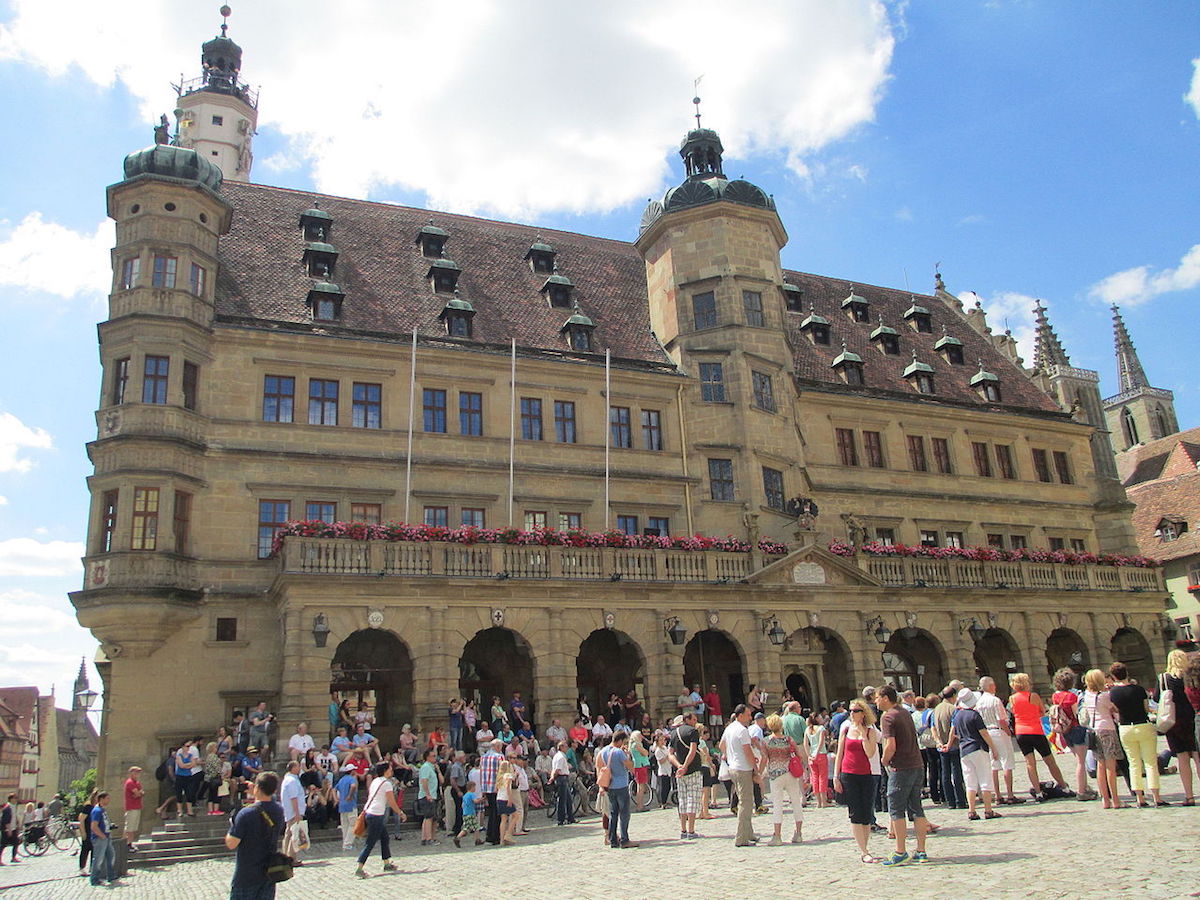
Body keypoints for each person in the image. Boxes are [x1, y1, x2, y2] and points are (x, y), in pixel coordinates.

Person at [877, 685, 931, 866]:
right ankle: (921, 850)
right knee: (917, 808)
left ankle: (900, 851)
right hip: (916, 764)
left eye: (878, 697)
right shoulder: (904, 712)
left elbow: (890, 745)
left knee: (896, 809)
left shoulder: (888, 717)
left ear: (885, 698)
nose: (876, 701)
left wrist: (884, 760)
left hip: (900, 767)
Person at [1109, 662, 1167, 807]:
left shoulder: (1113, 693)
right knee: (1150, 763)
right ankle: (1156, 796)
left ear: (1113, 676)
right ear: (1126, 673)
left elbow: (1114, 710)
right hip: (1143, 725)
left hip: (1125, 728)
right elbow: (1146, 708)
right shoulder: (1139, 689)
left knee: (1133, 763)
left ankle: (1140, 798)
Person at [833, 699, 881, 863]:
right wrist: (836, 776)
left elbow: (870, 753)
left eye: (856, 711)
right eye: (851, 711)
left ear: (863, 713)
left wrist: (862, 735)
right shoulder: (845, 729)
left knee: (866, 812)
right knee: (855, 812)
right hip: (848, 774)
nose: (852, 713)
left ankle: (865, 846)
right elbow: (840, 753)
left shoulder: (870, 731)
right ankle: (864, 850)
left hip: (866, 774)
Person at [947, 688, 1000, 821]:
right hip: (978, 748)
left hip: (964, 750)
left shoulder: (957, 715)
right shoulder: (974, 715)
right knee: (984, 779)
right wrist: (993, 748)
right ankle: (988, 810)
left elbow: (954, 733)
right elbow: (984, 733)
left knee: (970, 781)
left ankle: (971, 811)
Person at [1080, 668, 1125, 809]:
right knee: (1111, 767)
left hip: (1094, 731)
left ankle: (1105, 800)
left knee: (1100, 766)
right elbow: (1115, 709)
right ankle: (1116, 800)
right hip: (1107, 730)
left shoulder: (1086, 695)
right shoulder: (1105, 696)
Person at [1050, 668, 1097, 800]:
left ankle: (1086, 787)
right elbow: (1077, 715)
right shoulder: (1072, 696)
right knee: (1081, 762)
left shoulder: (1055, 696)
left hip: (1065, 731)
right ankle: (1082, 791)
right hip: (1076, 729)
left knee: (1078, 759)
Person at [355, 761, 407, 878]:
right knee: (370, 843)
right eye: (390, 768)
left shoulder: (375, 781)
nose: (391, 770)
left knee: (385, 838)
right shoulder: (386, 783)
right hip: (376, 815)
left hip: (371, 813)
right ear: (385, 770)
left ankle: (387, 863)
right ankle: (359, 867)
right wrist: (400, 813)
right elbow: (391, 802)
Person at [976, 677, 1021, 805]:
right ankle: (1010, 794)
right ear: (991, 686)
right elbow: (1001, 719)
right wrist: (1008, 731)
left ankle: (998, 795)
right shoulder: (995, 700)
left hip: (987, 733)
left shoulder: (978, 703)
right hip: (998, 730)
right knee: (1006, 762)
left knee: (993, 765)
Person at [1161, 649, 1198, 805]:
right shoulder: (1190, 676)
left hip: (1174, 722)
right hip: (1191, 718)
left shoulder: (1164, 678)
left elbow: (1158, 698)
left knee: (1182, 759)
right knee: (1197, 756)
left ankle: (1189, 796)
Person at [762, 713, 805, 846]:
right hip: (790, 773)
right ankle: (798, 833)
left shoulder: (766, 741)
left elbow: (764, 758)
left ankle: (777, 835)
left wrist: (759, 772)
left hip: (775, 775)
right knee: (796, 802)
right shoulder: (788, 739)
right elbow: (799, 755)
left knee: (778, 805)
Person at [722, 703, 758, 847]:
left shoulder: (729, 728)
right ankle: (741, 837)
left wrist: (730, 756)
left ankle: (749, 833)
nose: (750, 718)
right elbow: (747, 751)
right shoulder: (742, 731)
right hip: (743, 769)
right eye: (748, 715)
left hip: (733, 768)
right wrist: (756, 769)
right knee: (746, 802)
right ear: (740, 715)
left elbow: (721, 746)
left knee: (745, 801)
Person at [669, 711, 705, 839]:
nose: (696, 722)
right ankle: (691, 830)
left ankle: (683, 830)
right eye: (694, 719)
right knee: (692, 799)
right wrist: (685, 765)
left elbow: (670, 754)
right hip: (692, 769)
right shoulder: (692, 732)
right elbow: (693, 750)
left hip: (679, 772)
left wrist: (678, 766)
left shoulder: (673, 733)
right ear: (688, 719)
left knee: (682, 800)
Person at [599, 731, 635, 849]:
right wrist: (628, 755)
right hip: (621, 785)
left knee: (613, 813)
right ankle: (625, 839)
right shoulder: (619, 752)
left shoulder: (603, 751)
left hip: (610, 785)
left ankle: (613, 839)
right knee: (624, 813)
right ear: (619, 741)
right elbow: (630, 766)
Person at [279, 760, 308, 861]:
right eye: (298, 766)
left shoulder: (288, 780)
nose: (299, 768)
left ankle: (285, 855)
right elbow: (293, 797)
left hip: (290, 811)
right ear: (293, 768)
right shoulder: (292, 781)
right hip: (293, 812)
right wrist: (297, 813)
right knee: (293, 834)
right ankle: (292, 858)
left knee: (288, 834)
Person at [89, 791, 117, 887]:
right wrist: (102, 836)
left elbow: (104, 823)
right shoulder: (97, 811)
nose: (109, 800)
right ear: (102, 799)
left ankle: (111, 875)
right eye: (107, 798)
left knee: (111, 855)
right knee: (98, 859)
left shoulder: (103, 810)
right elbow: (94, 826)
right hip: (100, 838)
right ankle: (94, 879)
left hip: (106, 837)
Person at [804, 711, 831, 807]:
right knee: (822, 777)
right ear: (816, 718)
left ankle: (818, 802)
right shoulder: (821, 728)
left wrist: (809, 755)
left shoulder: (807, 729)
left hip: (811, 755)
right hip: (821, 754)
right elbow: (821, 742)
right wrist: (817, 753)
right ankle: (824, 801)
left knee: (815, 778)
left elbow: (805, 744)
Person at [480, 738, 504, 844]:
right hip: (497, 788)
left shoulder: (483, 757)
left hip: (487, 787)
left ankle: (489, 836)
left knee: (491, 811)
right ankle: (495, 836)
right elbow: (503, 772)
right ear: (497, 747)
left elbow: (482, 773)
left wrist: (483, 789)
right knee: (497, 813)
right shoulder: (499, 757)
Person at [416, 747, 440, 845]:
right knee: (428, 817)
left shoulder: (431, 767)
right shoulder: (426, 767)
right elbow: (424, 781)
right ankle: (428, 838)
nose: (435, 758)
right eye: (433, 756)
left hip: (432, 795)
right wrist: (428, 794)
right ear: (427, 757)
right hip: (427, 796)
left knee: (431, 817)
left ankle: (426, 838)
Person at [335, 764, 359, 851]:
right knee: (353, 824)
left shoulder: (341, 780)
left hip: (342, 805)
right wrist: (350, 795)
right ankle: (348, 844)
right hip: (350, 804)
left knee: (345, 825)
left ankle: (345, 843)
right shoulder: (352, 779)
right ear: (352, 771)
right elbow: (353, 786)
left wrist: (336, 799)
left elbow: (334, 789)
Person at [551, 740, 574, 825]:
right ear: (561, 747)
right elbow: (557, 769)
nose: (567, 748)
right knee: (562, 800)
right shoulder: (560, 757)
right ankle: (561, 819)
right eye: (565, 746)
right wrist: (553, 778)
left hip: (562, 778)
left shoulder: (557, 756)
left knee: (568, 799)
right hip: (561, 778)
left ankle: (570, 817)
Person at [455, 780, 483, 847]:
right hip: (471, 813)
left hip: (465, 813)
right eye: (474, 787)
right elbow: (475, 801)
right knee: (468, 828)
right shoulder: (472, 794)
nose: (475, 789)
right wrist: (480, 800)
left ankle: (478, 840)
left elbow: (462, 805)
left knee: (475, 827)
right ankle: (457, 838)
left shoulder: (465, 795)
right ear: (472, 787)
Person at [124, 765, 144, 851]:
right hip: (131, 807)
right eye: (136, 773)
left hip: (137, 806)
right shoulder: (130, 782)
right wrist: (139, 793)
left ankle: (130, 843)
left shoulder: (137, 783)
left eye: (138, 773)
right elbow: (138, 793)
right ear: (131, 773)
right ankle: (127, 844)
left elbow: (141, 792)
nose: (137, 775)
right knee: (130, 828)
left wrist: (139, 793)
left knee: (133, 827)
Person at [652, 730, 673, 808]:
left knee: (668, 787)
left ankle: (665, 801)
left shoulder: (665, 748)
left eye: (663, 739)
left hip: (668, 769)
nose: (663, 741)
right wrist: (667, 757)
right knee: (663, 787)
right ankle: (662, 803)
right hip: (663, 770)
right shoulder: (658, 750)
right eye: (661, 740)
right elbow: (661, 761)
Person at [0, 794, 18, 865]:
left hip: (13, 828)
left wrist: (17, 824)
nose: (16, 799)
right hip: (7, 829)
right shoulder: (7, 808)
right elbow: (6, 820)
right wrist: (9, 829)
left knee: (16, 842)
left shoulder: (13, 807)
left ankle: (13, 858)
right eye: (15, 798)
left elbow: (14, 817)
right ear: (11, 799)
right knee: (3, 845)